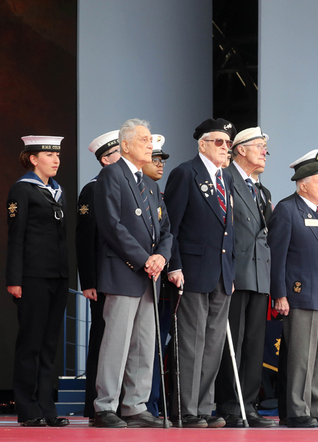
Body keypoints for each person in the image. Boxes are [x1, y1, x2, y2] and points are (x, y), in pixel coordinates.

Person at [93, 119, 172, 428]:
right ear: (125, 145)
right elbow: (112, 225)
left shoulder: (150, 184)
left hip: (149, 275)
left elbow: (166, 229)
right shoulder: (112, 175)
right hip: (125, 271)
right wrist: (144, 259)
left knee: (143, 343)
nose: (150, 144)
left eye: (150, 139)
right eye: (144, 139)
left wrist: (161, 257)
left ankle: (135, 405)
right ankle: (106, 406)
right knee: (116, 342)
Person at [163, 118, 236, 428]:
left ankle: (204, 408)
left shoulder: (227, 178)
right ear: (202, 144)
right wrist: (175, 264)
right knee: (191, 342)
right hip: (191, 270)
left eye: (228, 143)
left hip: (221, 273)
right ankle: (186, 409)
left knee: (213, 343)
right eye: (218, 142)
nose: (225, 148)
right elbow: (171, 227)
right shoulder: (184, 173)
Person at [269, 150, 318, 428]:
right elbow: (277, 255)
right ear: (303, 185)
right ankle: (297, 409)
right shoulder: (288, 209)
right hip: (299, 294)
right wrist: (279, 293)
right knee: (301, 355)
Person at [214, 127, 276, 427]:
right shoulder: (226, 179)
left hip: (259, 274)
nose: (264, 152)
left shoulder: (262, 191)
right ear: (240, 149)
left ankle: (248, 404)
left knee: (254, 344)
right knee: (232, 342)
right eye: (259, 146)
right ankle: (230, 404)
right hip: (235, 273)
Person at [6, 135, 70, 427]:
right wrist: (14, 279)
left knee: (49, 344)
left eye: (57, 154)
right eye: (48, 154)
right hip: (31, 276)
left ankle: (47, 407)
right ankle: (27, 407)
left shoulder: (58, 191)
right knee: (30, 342)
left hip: (57, 276)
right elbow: (16, 237)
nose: (56, 159)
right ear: (33, 158)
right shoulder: (22, 190)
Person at [76, 130, 121, 424]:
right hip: (102, 280)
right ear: (105, 159)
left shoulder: (124, 185)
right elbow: (85, 238)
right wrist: (89, 281)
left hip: (121, 278)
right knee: (102, 339)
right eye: (118, 151)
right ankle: (95, 405)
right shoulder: (92, 189)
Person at [141, 134, 172, 417]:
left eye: (162, 159)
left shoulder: (158, 194)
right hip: (139, 275)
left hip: (161, 279)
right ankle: (144, 403)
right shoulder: (138, 191)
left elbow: (167, 232)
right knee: (143, 346)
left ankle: (153, 402)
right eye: (154, 159)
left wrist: (163, 257)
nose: (159, 164)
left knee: (157, 345)